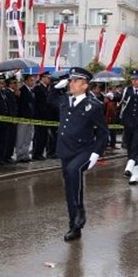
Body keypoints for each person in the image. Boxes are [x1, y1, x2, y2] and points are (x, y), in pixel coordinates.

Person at [49, 67, 109, 241]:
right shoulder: (65, 101)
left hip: (84, 150)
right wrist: (56, 87)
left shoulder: (94, 105)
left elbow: (103, 132)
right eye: (71, 80)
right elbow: (50, 99)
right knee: (70, 186)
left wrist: (96, 154)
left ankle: (79, 212)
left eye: (75, 81)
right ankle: (74, 225)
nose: (71, 83)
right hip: (65, 149)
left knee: (73, 171)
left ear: (84, 85)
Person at [32, 72, 54, 160]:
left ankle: (40, 153)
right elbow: (38, 104)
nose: (49, 79)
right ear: (42, 78)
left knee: (44, 137)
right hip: (40, 116)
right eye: (47, 77)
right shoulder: (38, 88)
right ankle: (36, 153)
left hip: (46, 116)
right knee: (39, 136)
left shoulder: (47, 88)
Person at [15, 74, 36, 162]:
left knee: (28, 137)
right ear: (26, 81)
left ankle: (25, 154)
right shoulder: (22, 90)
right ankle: (20, 155)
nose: (33, 82)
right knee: (21, 137)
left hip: (30, 117)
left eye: (33, 80)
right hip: (23, 117)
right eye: (31, 80)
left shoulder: (31, 91)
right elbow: (21, 104)